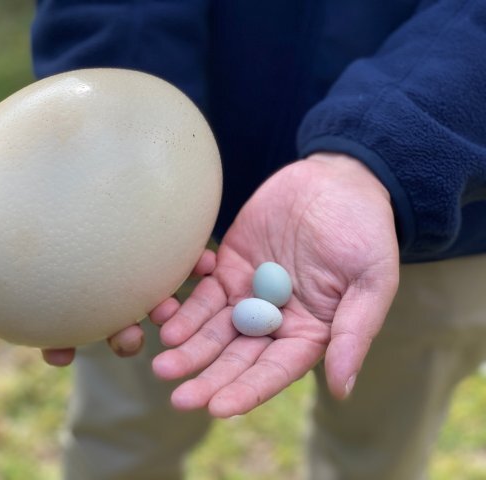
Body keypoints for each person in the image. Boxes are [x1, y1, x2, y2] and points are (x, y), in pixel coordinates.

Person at [31, 1, 486, 479]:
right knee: (123, 440)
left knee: (376, 458)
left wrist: (387, 146)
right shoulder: (151, 209)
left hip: (428, 209)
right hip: (167, 219)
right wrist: (116, 133)